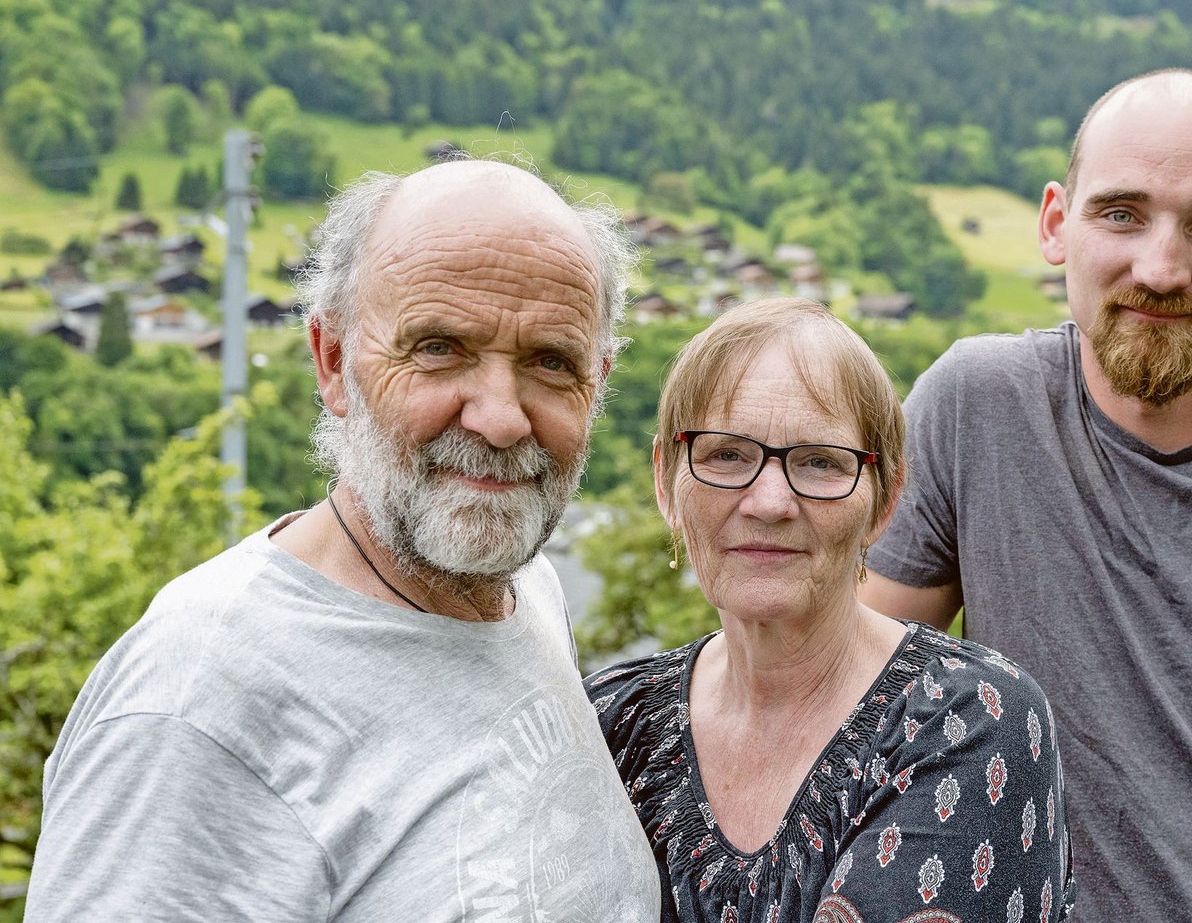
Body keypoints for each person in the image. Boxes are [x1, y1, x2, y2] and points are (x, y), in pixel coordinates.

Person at [26, 158, 661, 920]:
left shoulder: (524, 591)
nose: (500, 418)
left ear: (598, 383)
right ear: (333, 362)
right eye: (438, 348)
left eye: (552, 362)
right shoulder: (195, 706)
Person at [862, 68, 1192, 921]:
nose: (1162, 268)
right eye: (1120, 213)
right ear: (1056, 224)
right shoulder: (981, 410)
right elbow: (848, 710)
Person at [588, 297, 1075, 922]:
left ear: (885, 501)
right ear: (665, 482)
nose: (770, 502)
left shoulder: (968, 720)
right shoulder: (607, 725)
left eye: (820, 462)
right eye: (726, 454)